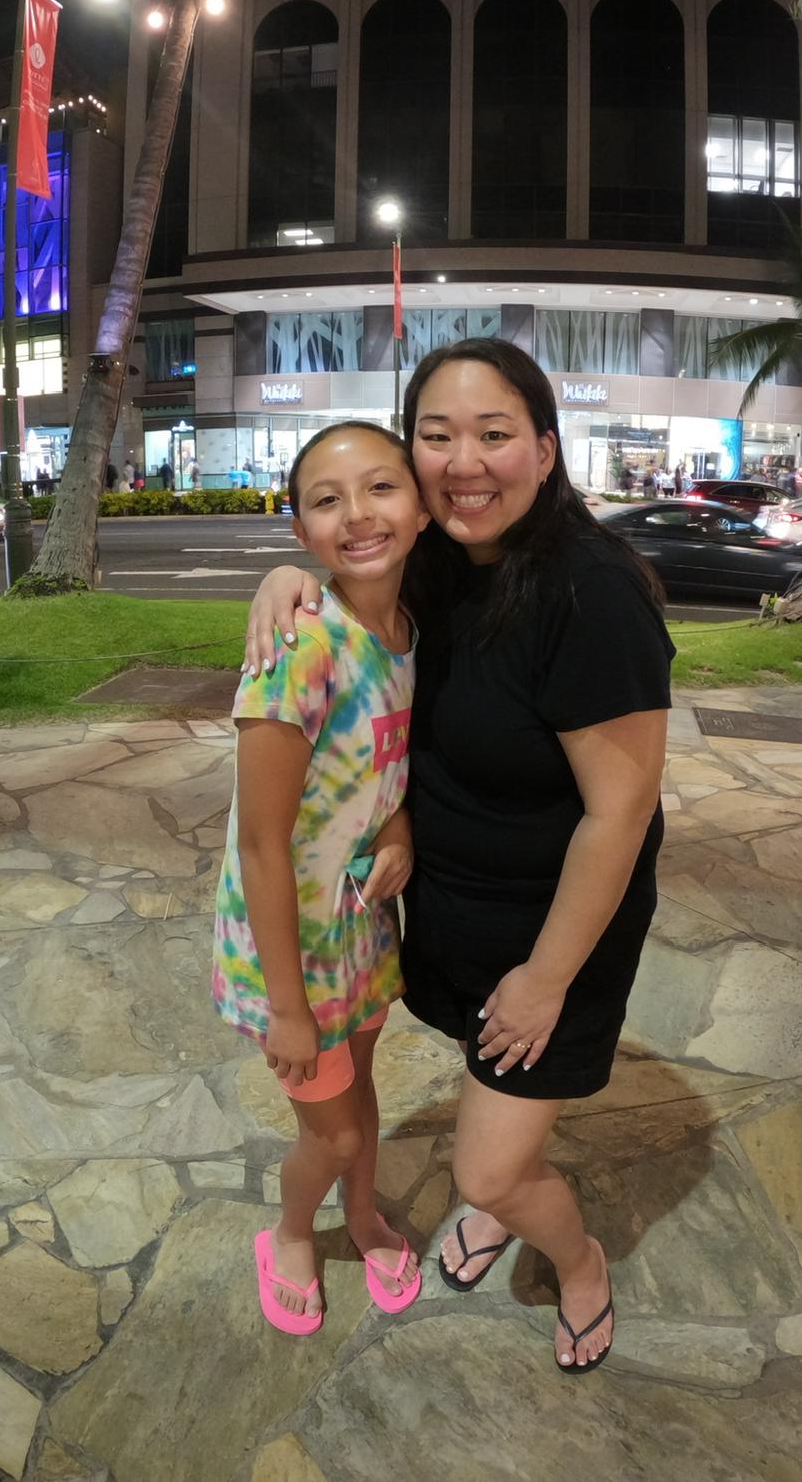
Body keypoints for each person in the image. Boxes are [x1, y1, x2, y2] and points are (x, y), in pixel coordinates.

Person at [244, 338, 673, 1372]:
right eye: (437, 436)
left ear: (546, 450)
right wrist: (283, 578)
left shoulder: (590, 593)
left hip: (555, 928)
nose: (464, 461)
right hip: (455, 909)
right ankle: (508, 1191)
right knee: (496, 1116)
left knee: (485, 1172)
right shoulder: (439, 567)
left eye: (494, 434)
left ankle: (577, 1262)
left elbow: (621, 814)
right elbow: (357, 601)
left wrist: (547, 977)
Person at [217, 420, 431, 1337]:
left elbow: (385, 767)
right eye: (327, 500)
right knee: (332, 1129)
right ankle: (293, 1232)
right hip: (286, 946)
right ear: (300, 530)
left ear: (421, 506)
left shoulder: (413, 634)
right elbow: (262, 845)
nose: (358, 515)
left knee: (362, 1090)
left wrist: (399, 826)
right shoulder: (301, 647)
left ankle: (364, 1215)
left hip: (360, 922)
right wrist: (287, 1007)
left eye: (381, 487)